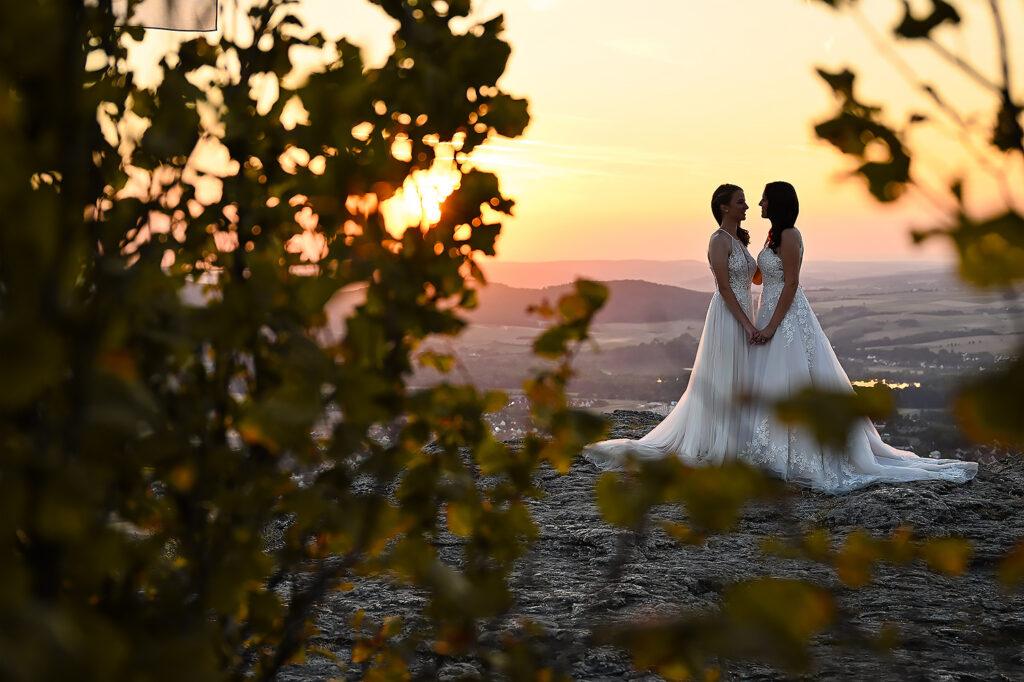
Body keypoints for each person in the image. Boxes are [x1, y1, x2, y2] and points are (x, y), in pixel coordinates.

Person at [741, 181, 978, 493]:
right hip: (768, 310)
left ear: (778, 203)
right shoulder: (773, 236)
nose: (759, 204)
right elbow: (764, 276)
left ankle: (797, 456)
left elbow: (791, 284)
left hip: (785, 318)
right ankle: (772, 451)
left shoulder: (790, 235)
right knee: (772, 381)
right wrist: (743, 248)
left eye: (764, 199)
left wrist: (771, 325)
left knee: (794, 378)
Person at [582, 183, 761, 470]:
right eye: (741, 201)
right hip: (729, 317)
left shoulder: (739, 240)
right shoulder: (718, 240)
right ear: (724, 207)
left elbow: (754, 279)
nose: (747, 206)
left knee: (741, 376)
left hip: (745, 312)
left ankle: (737, 440)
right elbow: (725, 289)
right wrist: (747, 324)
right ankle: (720, 443)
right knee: (726, 375)